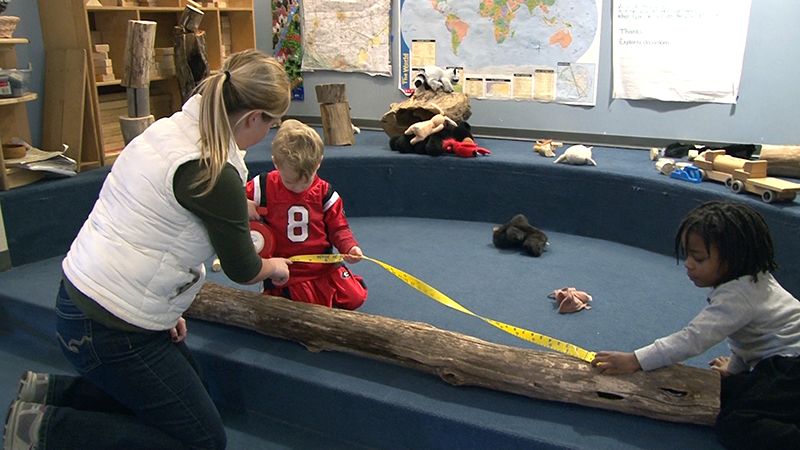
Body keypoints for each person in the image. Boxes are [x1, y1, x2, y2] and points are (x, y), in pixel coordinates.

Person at [3, 49, 293, 450]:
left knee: (189, 399)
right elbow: (244, 267)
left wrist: (161, 310)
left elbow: (153, 221)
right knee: (204, 440)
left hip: (83, 294)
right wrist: (275, 265)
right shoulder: (214, 172)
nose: (270, 133)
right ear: (251, 118)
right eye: (271, 123)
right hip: (107, 325)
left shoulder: (173, 129)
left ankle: (50, 393)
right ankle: (45, 431)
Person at [591, 200, 800, 449]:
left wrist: (636, 359)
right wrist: (735, 368)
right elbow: (749, 336)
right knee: (733, 390)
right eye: (687, 254)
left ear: (734, 259)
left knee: (737, 423)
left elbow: (693, 338)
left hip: (791, 368)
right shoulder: (753, 280)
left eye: (698, 258)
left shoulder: (738, 296)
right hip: (782, 361)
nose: (688, 264)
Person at [245, 119, 368, 310]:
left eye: (305, 181)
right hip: (285, 267)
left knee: (355, 297)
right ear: (275, 163)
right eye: (290, 182)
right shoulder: (262, 185)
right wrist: (242, 203)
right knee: (304, 307)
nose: (298, 188)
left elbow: (339, 228)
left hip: (322, 266)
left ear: (318, 163)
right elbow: (231, 201)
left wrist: (349, 246)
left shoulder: (326, 193)